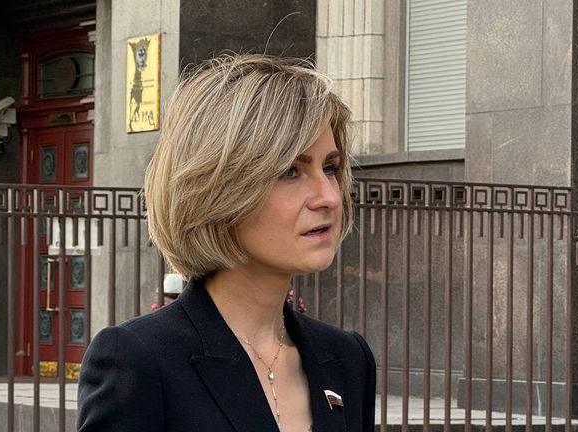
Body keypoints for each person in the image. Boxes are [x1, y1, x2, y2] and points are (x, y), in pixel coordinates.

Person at [77, 54, 376, 432]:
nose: (328, 197)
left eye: (329, 167)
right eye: (290, 171)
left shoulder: (347, 358)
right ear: (218, 188)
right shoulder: (140, 359)